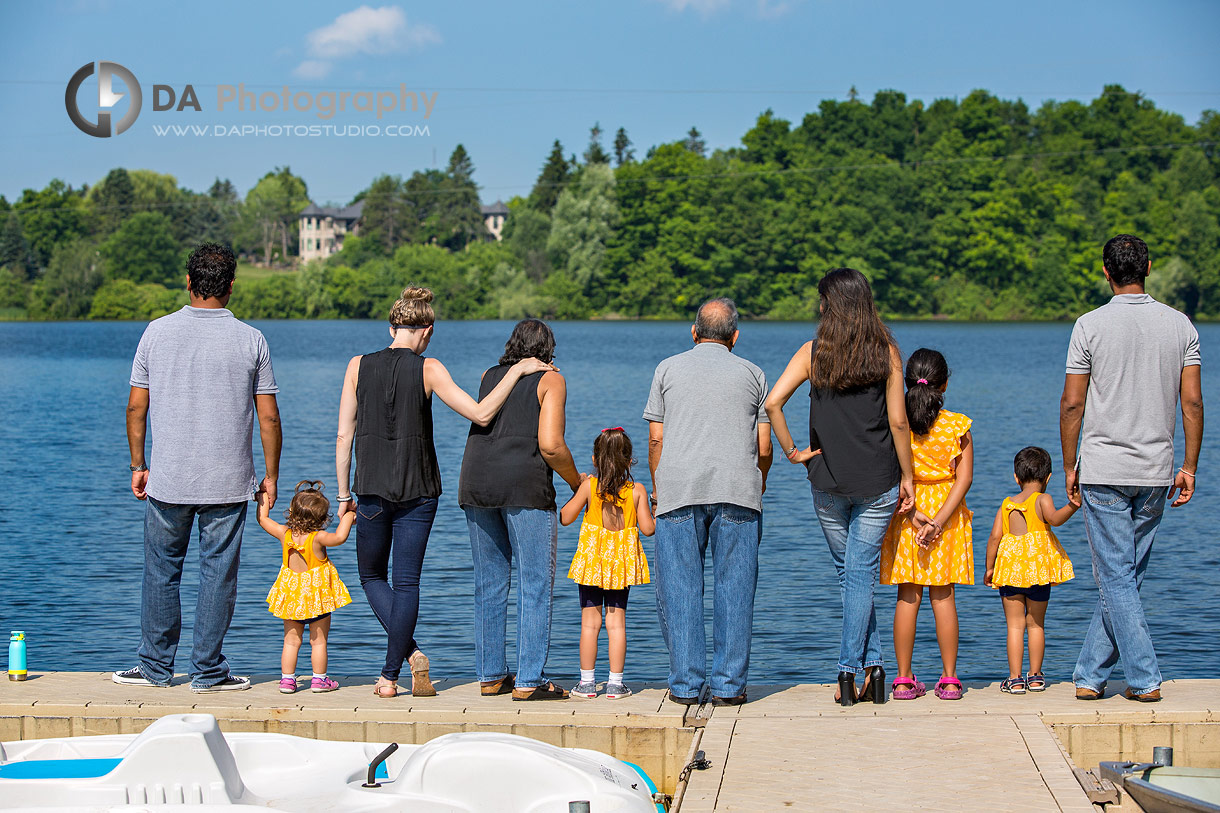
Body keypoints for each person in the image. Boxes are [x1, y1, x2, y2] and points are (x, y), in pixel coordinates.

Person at [336, 289, 553, 699]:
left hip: (370, 489)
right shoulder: (429, 368)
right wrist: (519, 370)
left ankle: (406, 658)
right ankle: (390, 674)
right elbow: (481, 412)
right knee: (408, 583)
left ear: (391, 327)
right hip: (420, 491)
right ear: (427, 331)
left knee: (369, 576)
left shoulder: (356, 366)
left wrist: (344, 492)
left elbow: (344, 434)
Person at [114, 242, 281, 692]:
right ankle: (207, 672)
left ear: (188, 282)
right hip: (228, 485)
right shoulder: (251, 339)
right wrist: (270, 476)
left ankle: (154, 668)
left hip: (168, 481)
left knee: (161, 571)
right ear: (230, 287)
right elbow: (268, 416)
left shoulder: (155, 332)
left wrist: (138, 464)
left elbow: (135, 409)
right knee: (217, 575)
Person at [1061, 234, 1202, 703]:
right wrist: (1190, 466)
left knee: (1118, 577)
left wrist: (1067, 466)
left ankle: (1144, 678)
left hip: (1102, 468)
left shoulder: (1089, 325)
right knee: (1127, 576)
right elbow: (1193, 402)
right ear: (1148, 266)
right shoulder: (1180, 326)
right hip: (1156, 471)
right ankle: (1088, 675)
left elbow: (1072, 403)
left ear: (1106, 271)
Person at [765, 268, 914, 707]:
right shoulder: (886, 352)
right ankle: (875, 669)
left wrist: (792, 451)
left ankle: (848, 673)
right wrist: (908, 476)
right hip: (879, 481)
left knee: (852, 576)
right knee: (858, 576)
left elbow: (773, 402)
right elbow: (899, 421)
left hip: (827, 481)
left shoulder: (814, 353)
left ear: (830, 304)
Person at [645, 298, 772, 707]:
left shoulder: (667, 368)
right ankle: (729, 687)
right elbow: (764, 446)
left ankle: (685, 686)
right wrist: (758, 482)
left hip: (679, 490)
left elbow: (656, 438)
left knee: (680, 588)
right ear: (735, 336)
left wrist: (658, 484)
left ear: (693, 332)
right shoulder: (754, 373)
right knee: (735, 590)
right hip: (738, 491)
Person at [458, 319, 581, 701]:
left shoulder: (488, 375)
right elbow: (550, 445)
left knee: (489, 583)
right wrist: (578, 482)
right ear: (549, 350)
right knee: (535, 583)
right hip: (524, 486)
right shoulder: (551, 380)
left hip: (476, 483)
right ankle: (529, 680)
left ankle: (491, 675)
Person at [880, 349, 974, 702]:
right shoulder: (957, 425)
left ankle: (903, 680)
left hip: (908, 512)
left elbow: (890, 473)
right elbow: (963, 480)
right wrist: (938, 521)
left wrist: (913, 513)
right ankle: (949, 680)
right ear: (944, 383)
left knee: (908, 595)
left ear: (906, 382)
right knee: (943, 595)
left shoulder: (896, 422)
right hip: (946, 518)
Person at [561, 427, 656, 700]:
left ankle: (587, 683)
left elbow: (566, 517)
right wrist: (653, 505)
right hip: (620, 567)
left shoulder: (590, 486)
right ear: (629, 460)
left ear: (594, 459)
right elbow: (648, 529)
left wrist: (577, 487)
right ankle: (615, 684)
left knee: (589, 624)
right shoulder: (636, 490)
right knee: (617, 624)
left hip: (592, 564)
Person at [984, 447, 1078, 695]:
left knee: (1014, 626)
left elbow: (994, 538)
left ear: (1016, 477)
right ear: (1048, 478)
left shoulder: (1005, 504)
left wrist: (990, 567)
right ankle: (1035, 677)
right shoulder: (1043, 500)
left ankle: (1014, 679)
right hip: (1038, 572)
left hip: (1010, 572)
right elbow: (1055, 520)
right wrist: (1073, 505)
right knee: (1036, 625)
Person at [257, 480, 354, 694]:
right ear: (322, 518)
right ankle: (319, 680)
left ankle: (287, 681)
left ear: (291, 511)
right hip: (316, 598)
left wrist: (263, 496)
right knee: (318, 641)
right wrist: (349, 516)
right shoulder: (318, 538)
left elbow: (263, 519)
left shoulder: (285, 534)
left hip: (291, 596)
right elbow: (340, 537)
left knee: (291, 640)